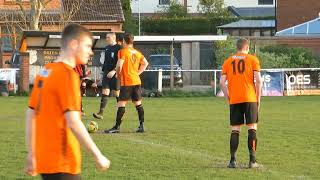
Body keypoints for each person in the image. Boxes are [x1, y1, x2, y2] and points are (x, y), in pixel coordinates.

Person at [24, 24, 110, 180]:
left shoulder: (45, 72)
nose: (90, 52)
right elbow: (73, 122)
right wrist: (98, 155)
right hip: (63, 162)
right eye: (88, 46)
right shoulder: (68, 76)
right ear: (74, 44)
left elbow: (31, 114)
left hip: (45, 161)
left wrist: (32, 153)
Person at [219, 38, 263, 169]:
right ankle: (252, 161)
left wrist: (228, 98)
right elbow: (259, 81)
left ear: (237, 48)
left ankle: (232, 161)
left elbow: (221, 83)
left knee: (235, 129)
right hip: (250, 98)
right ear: (247, 48)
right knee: (252, 128)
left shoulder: (228, 61)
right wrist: (258, 99)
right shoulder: (253, 59)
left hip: (235, 99)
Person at [104, 33, 148, 133]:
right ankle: (141, 126)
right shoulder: (137, 52)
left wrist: (117, 74)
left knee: (121, 104)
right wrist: (138, 73)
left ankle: (117, 127)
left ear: (124, 41)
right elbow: (145, 63)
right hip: (136, 81)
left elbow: (119, 65)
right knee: (138, 104)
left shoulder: (122, 51)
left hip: (127, 82)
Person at [93, 32, 122, 120]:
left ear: (113, 38)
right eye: (106, 37)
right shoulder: (107, 48)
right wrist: (103, 73)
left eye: (108, 37)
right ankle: (100, 113)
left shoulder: (119, 48)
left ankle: (121, 111)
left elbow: (120, 62)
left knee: (116, 93)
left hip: (116, 73)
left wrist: (114, 71)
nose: (106, 39)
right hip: (106, 72)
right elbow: (106, 62)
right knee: (105, 91)